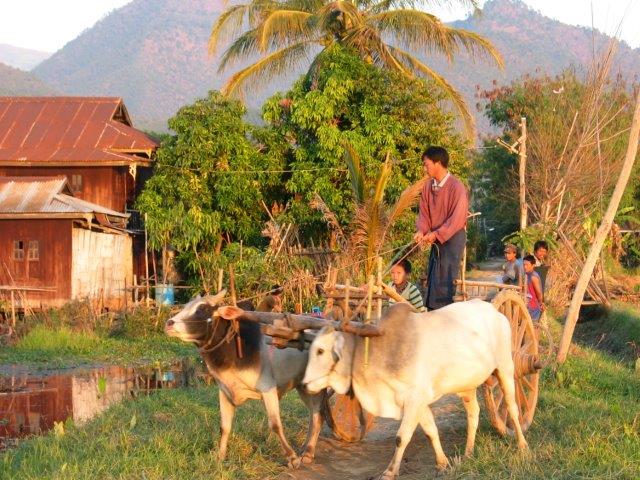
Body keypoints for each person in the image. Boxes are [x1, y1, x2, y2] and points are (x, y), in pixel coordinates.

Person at [414, 146, 469, 310]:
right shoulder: (427, 187)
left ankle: (444, 313)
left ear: (438, 163)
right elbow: (424, 214)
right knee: (433, 275)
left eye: (426, 164)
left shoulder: (457, 187)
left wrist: (437, 233)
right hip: (436, 238)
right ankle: (432, 311)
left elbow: (457, 219)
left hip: (453, 238)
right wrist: (421, 231)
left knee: (445, 277)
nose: (425, 168)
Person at [523, 254, 545, 321]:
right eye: (523, 265)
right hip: (528, 305)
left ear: (533, 265)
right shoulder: (527, 275)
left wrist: (541, 303)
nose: (524, 267)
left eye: (527, 265)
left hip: (533, 307)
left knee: (532, 327)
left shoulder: (533, 277)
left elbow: (539, 292)